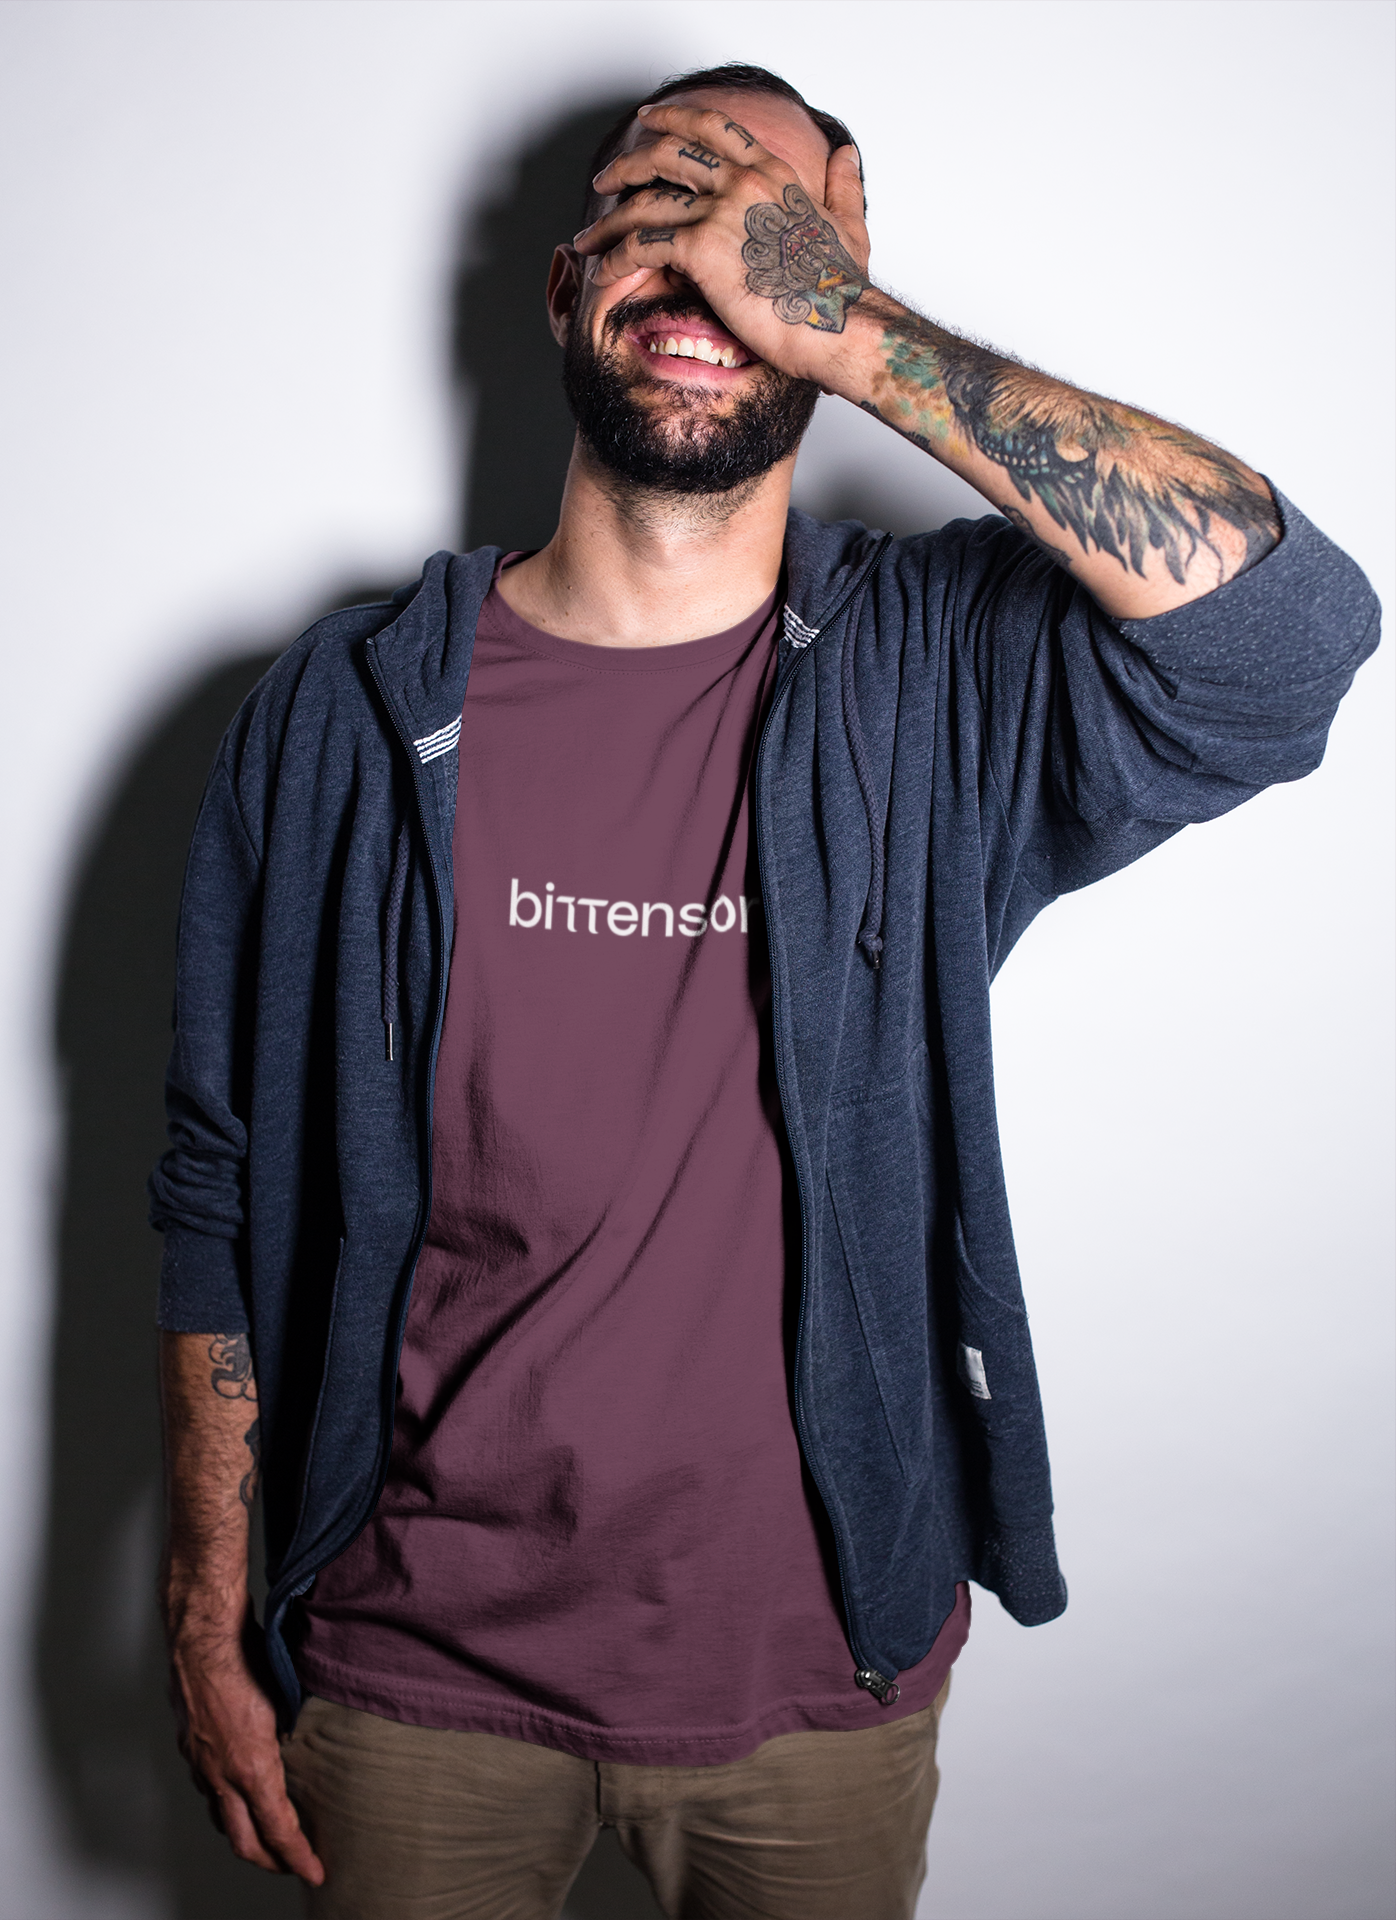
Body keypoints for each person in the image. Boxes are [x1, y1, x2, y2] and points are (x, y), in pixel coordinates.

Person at [150, 61, 1378, 1920]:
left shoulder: (930, 675)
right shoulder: (342, 711)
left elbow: (1290, 643)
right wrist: (204, 1600)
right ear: (566, 283)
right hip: (407, 1680)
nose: (712, 262)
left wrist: (852, 327)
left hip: (816, 1687)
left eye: (766, 223)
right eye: (660, 204)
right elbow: (215, 1174)